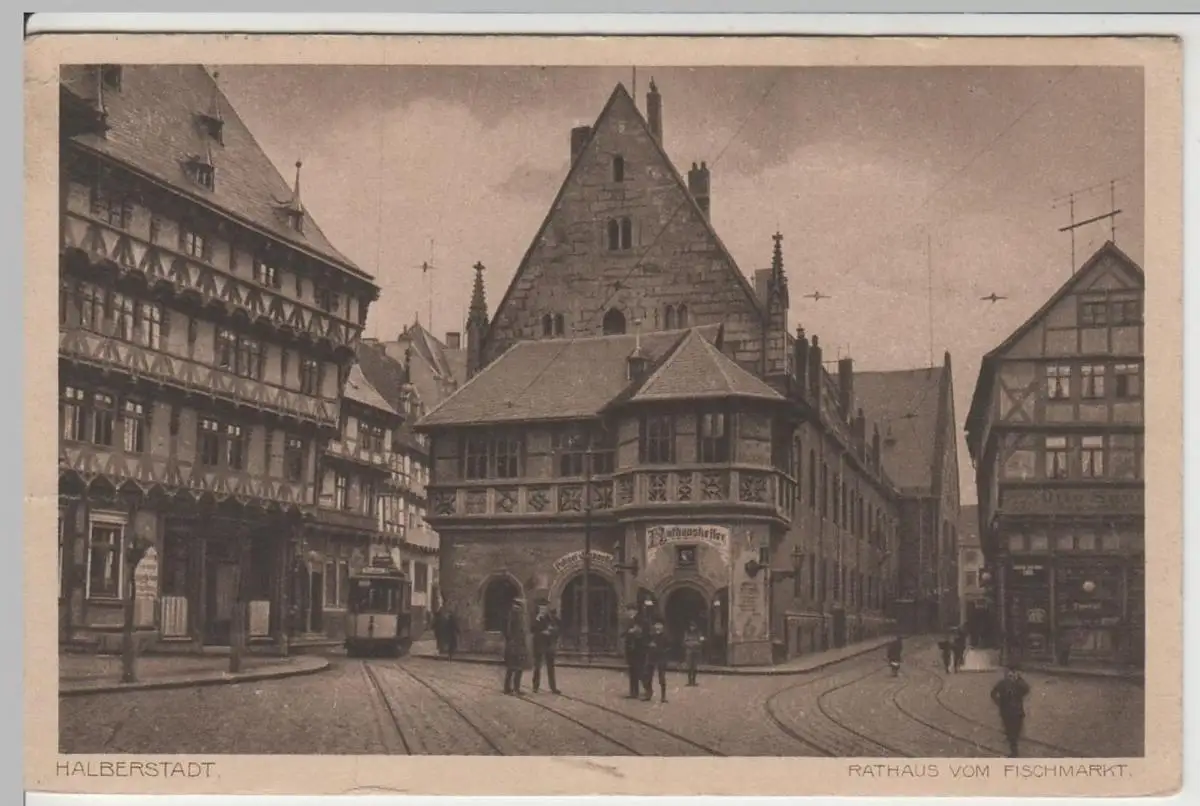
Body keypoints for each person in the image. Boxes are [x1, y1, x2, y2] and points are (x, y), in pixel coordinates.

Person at [990, 665, 1031, 758]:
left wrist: (1019, 679)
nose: (1010, 675)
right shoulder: (1002, 683)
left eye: (1012, 673)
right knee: (1011, 732)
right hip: (1009, 712)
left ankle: (1013, 745)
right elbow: (993, 693)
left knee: (1014, 731)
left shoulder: (1018, 684)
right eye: (1009, 673)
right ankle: (1014, 751)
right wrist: (999, 702)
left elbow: (1026, 689)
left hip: (1016, 712)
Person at [502, 599, 532, 695]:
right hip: (515, 646)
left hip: (517, 646)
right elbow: (510, 632)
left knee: (516, 668)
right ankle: (510, 688)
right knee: (514, 668)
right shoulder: (514, 617)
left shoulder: (518, 617)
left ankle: (513, 688)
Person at [531, 602, 561, 694]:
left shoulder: (551, 618)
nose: (543, 611)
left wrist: (551, 631)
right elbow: (532, 630)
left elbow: (557, 628)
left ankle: (553, 687)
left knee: (550, 667)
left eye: (544, 608)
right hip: (539, 646)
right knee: (537, 667)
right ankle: (535, 686)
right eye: (541, 609)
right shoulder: (535, 619)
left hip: (549, 646)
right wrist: (542, 632)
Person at [642, 620, 670, 703]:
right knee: (647, 677)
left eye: (659, 626)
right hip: (651, 657)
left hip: (661, 658)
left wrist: (661, 650)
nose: (658, 628)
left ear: (662, 627)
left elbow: (668, 647)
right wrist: (649, 645)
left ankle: (663, 696)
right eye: (656, 626)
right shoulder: (651, 636)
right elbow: (645, 644)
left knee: (662, 678)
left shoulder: (665, 637)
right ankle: (648, 693)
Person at [621, 607, 646, 699]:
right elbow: (625, 633)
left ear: (634, 611)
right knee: (633, 672)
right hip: (631, 650)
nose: (628, 612)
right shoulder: (629, 621)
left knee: (639, 671)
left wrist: (635, 631)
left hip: (638, 650)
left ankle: (647, 689)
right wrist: (628, 632)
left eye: (629, 610)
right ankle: (633, 692)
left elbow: (642, 633)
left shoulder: (640, 619)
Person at [682, 620, 705, 687]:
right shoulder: (687, 633)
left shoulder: (699, 633)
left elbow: (701, 642)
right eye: (691, 626)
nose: (692, 628)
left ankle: (694, 681)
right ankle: (689, 681)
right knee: (689, 667)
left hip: (696, 651)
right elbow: (685, 642)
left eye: (693, 626)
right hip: (689, 651)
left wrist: (693, 644)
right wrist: (692, 644)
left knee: (694, 667)